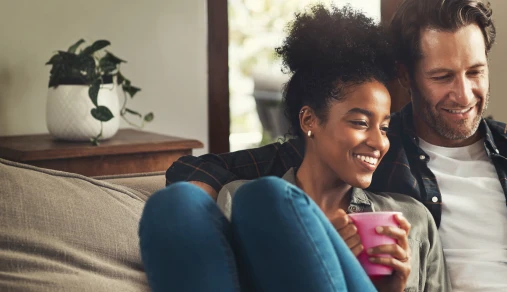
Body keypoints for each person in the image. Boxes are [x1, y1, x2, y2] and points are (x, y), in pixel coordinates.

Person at [167, 0, 507, 291]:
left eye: (475, 72)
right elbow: (198, 174)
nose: (463, 94)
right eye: (442, 77)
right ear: (407, 78)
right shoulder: (368, 150)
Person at [139, 5, 448, 292]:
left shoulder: (411, 218)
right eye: (359, 122)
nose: (379, 142)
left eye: (384, 127)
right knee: (172, 204)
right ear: (309, 119)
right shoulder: (236, 200)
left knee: (266, 196)